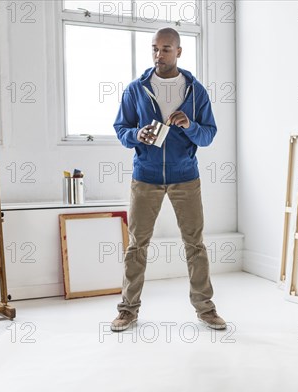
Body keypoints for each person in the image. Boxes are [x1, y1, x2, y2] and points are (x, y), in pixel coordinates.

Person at [112, 27, 226, 332]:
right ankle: (127, 310)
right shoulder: (136, 89)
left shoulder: (195, 90)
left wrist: (189, 125)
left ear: (178, 52)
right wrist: (137, 134)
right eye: (154, 48)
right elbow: (121, 129)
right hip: (145, 177)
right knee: (137, 245)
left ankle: (206, 309)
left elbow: (209, 134)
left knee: (195, 244)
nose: (158, 55)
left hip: (186, 177)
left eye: (165, 49)